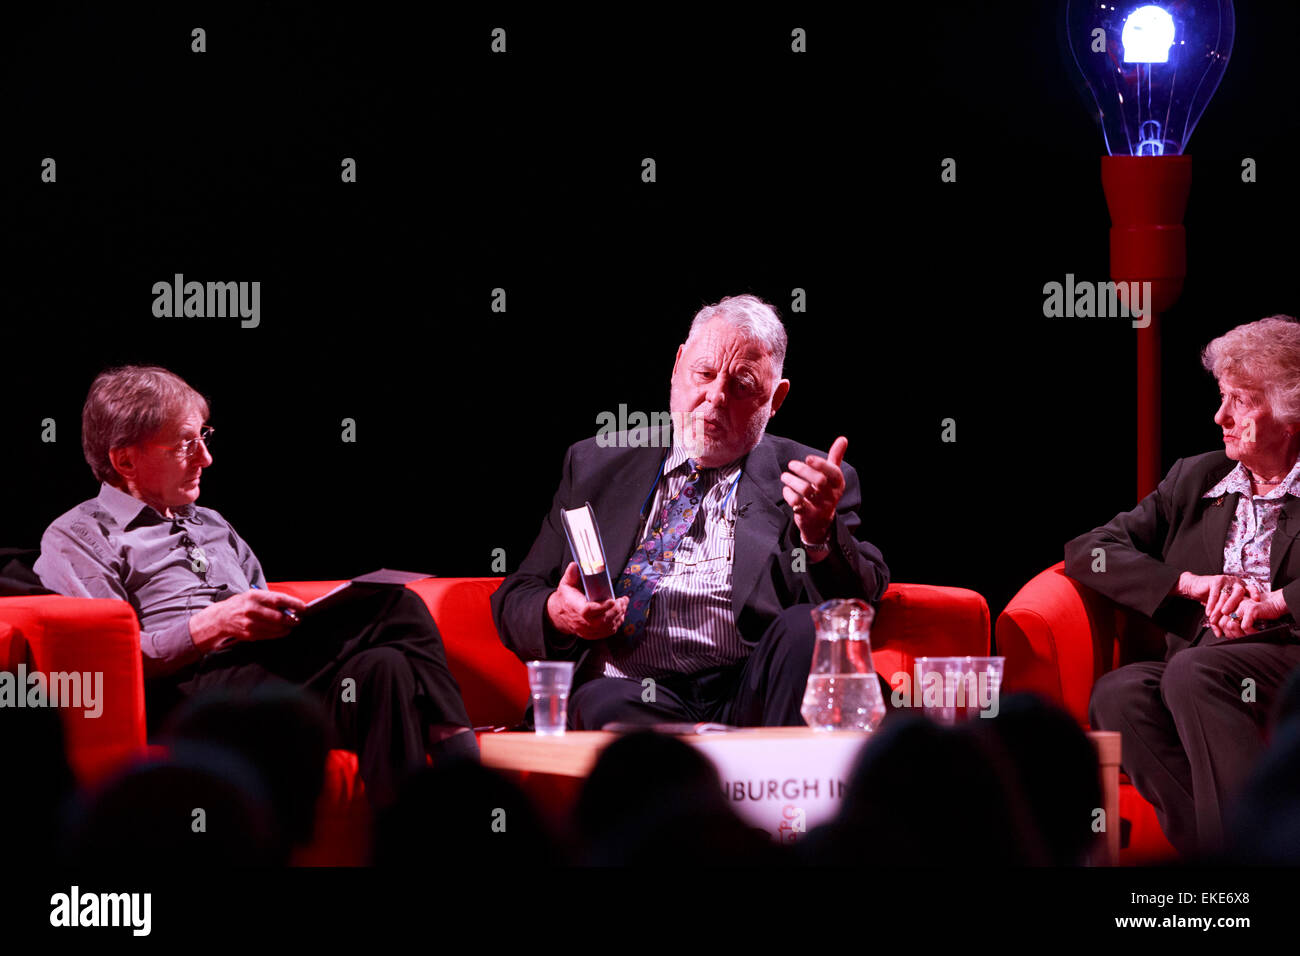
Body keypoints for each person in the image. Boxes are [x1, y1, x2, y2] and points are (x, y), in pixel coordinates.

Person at [34, 365, 478, 809]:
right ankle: (463, 765)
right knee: (394, 605)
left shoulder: (213, 524)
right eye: (186, 443)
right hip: (186, 694)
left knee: (383, 668)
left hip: (258, 678)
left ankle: (403, 841)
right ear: (125, 460)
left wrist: (278, 618)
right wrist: (210, 626)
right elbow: (112, 659)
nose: (205, 458)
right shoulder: (79, 535)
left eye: (204, 436)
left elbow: (262, 606)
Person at [491, 294, 889, 729]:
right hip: (633, 693)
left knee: (804, 629)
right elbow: (517, 596)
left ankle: (772, 781)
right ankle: (697, 761)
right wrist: (558, 612)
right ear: (678, 366)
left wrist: (818, 535)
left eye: (742, 384)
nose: (716, 396)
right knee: (602, 704)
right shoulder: (595, 465)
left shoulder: (813, 481)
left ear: (774, 400)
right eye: (704, 373)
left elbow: (859, 603)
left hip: (750, 692)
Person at [1065, 315, 1300, 856]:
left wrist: (1272, 604)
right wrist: (1189, 583)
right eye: (1222, 397)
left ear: (1289, 416)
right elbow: (1089, 553)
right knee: (1120, 693)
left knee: (1196, 672)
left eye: (1240, 402)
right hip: (1204, 653)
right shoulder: (1195, 478)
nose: (1220, 417)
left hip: (1288, 654)